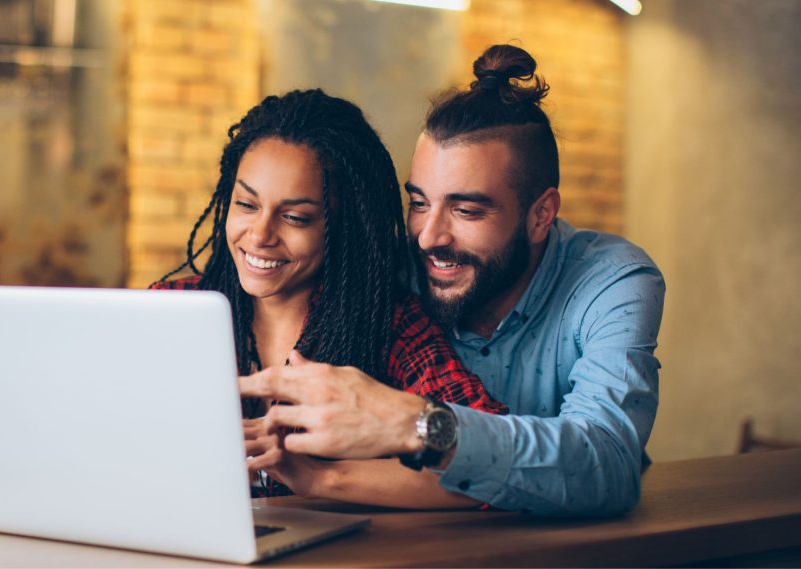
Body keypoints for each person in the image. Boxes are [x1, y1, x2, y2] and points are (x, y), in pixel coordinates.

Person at [239, 45, 665, 517]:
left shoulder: (611, 281)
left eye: (466, 210)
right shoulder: (388, 277)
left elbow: (605, 466)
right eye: (419, 203)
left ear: (541, 214)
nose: (428, 238)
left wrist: (416, 424)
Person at [150, 89, 507, 508]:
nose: (260, 235)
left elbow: (491, 465)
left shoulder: (387, 326)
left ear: (342, 229)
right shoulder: (171, 309)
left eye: (295, 217)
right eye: (246, 204)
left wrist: (322, 477)